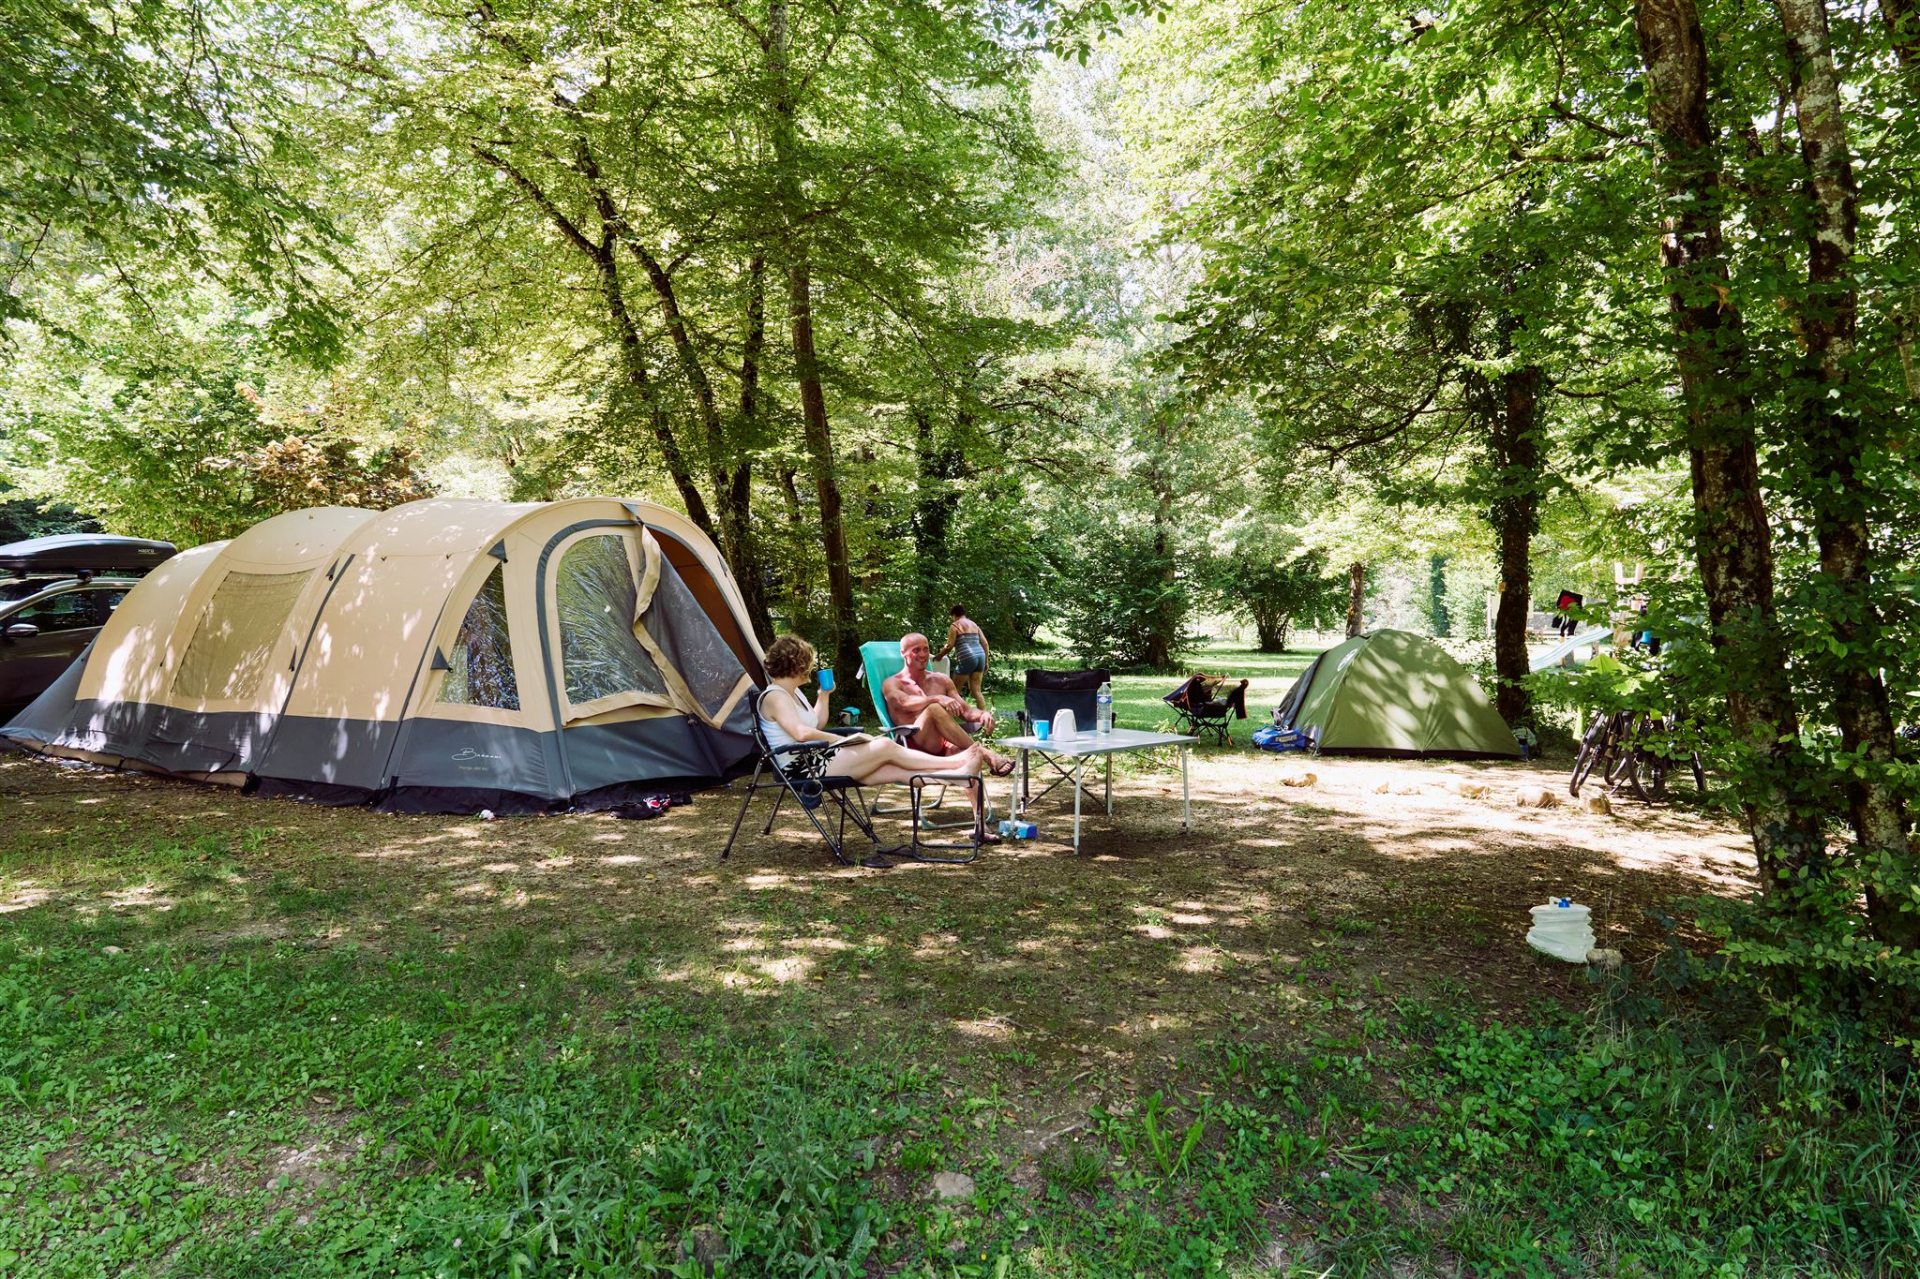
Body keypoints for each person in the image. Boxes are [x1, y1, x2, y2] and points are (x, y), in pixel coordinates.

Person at [757, 636, 1006, 837]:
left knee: (894, 768)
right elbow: (801, 733)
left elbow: (816, 722)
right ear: (797, 664)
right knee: (885, 746)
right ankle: (957, 765)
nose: (811, 667)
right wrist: (842, 741)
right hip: (803, 767)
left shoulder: (793, 693)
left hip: (817, 757)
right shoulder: (775, 696)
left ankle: (957, 777)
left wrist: (824, 694)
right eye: (808, 662)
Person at [882, 632, 1013, 773]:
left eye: (926, 649)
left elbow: (966, 711)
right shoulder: (892, 683)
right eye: (916, 650)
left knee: (972, 761)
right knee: (934, 708)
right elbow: (903, 701)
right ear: (903, 653)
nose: (923, 654)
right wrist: (936, 698)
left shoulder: (941, 680)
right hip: (914, 749)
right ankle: (986, 753)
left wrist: (982, 714)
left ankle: (978, 790)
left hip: (943, 744)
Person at [935, 605, 991, 712]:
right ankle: (983, 717)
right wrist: (986, 662)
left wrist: (940, 655)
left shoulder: (955, 625)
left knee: (954, 690)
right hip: (981, 657)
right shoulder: (974, 625)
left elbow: (950, 645)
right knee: (977, 691)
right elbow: (985, 643)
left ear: (954, 615)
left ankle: (950, 717)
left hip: (968, 658)